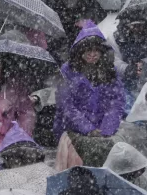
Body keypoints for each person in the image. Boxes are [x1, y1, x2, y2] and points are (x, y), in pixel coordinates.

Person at [54, 21, 126, 164]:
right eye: (88, 50)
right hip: (73, 131)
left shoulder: (110, 71)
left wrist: (106, 130)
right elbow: (65, 105)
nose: (92, 54)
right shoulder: (67, 71)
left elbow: (116, 102)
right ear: (80, 50)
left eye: (96, 50)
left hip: (103, 133)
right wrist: (87, 129)